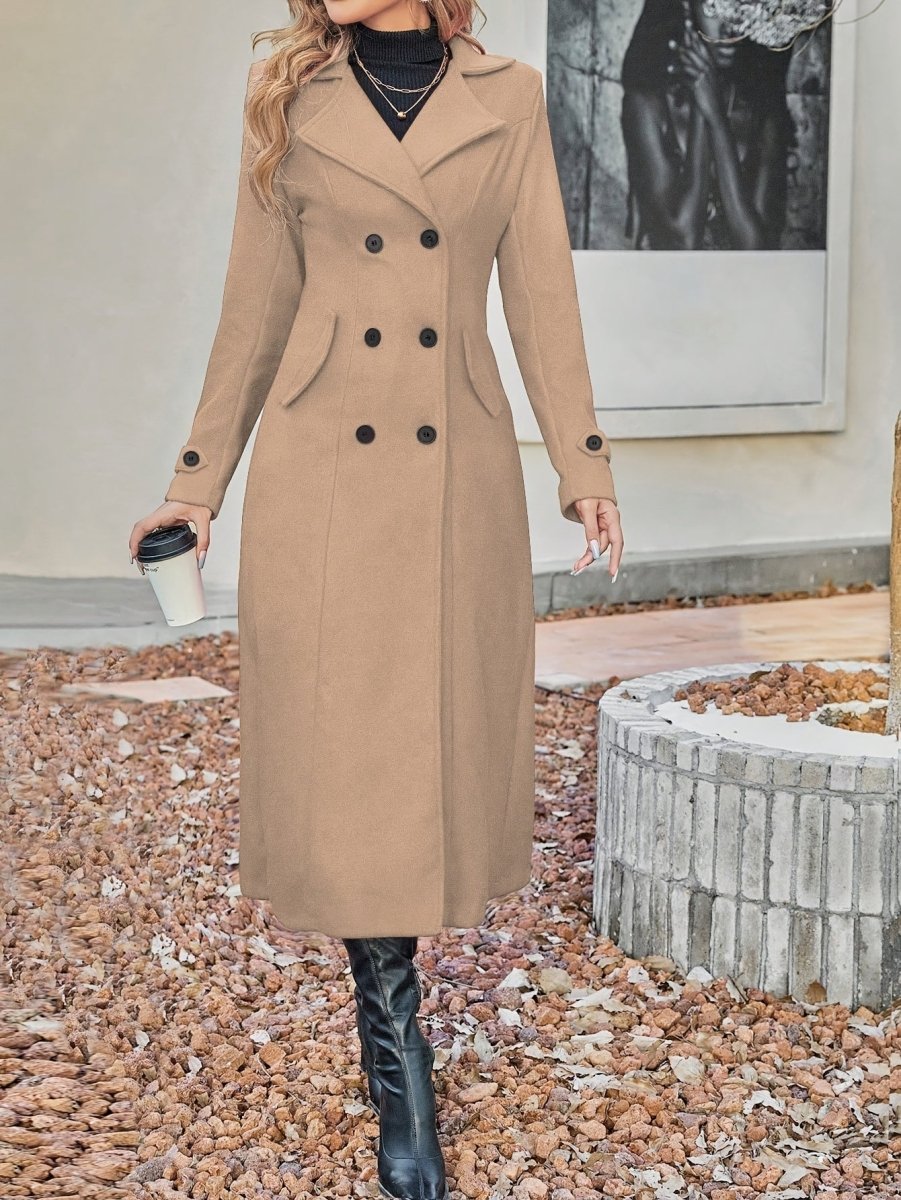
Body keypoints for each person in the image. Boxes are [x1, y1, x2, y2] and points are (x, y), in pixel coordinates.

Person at [128, 2, 624, 1195]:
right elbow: (255, 305)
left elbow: (540, 287)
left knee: (427, 739)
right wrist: (196, 484)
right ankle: (398, 1052)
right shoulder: (291, 97)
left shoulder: (506, 97)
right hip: (323, 463)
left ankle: (394, 1027)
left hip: (452, 461)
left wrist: (583, 464)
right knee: (347, 749)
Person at [620, 0, 795, 249]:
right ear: (686, 6)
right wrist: (701, 101)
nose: (730, 26)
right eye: (713, 7)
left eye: (740, 6)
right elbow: (684, 239)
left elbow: (757, 249)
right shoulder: (645, 108)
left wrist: (715, 115)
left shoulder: (764, 115)